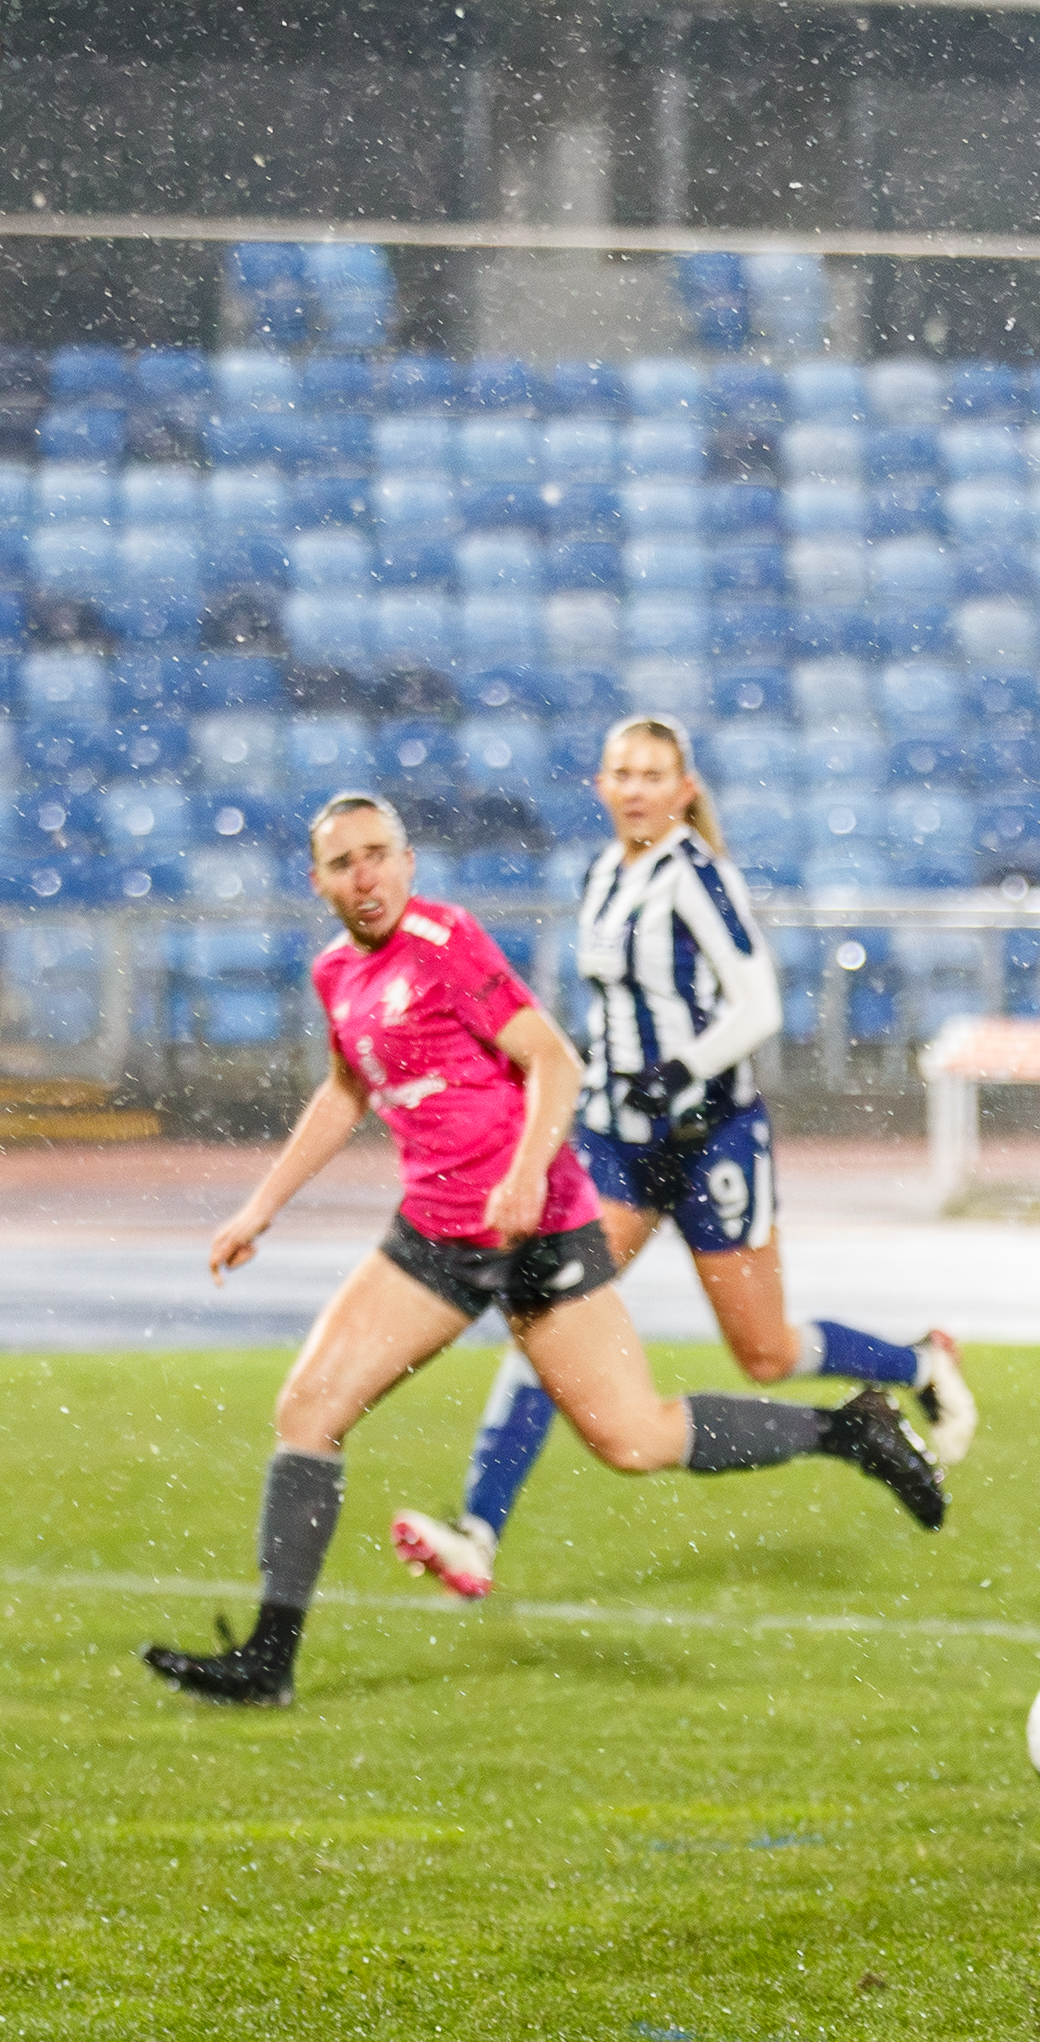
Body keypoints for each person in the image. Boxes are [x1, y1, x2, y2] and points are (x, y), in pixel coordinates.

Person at [143, 791, 947, 1708]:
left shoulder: (447, 944)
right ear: (317, 881)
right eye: (342, 863)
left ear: (407, 863)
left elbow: (555, 1060)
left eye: (378, 855)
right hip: (438, 1234)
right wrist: (261, 1206)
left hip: (538, 1227)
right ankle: (268, 1661)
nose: (364, 877)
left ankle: (847, 1429)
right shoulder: (336, 973)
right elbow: (344, 1091)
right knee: (307, 1409)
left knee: (634, 1439)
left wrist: (526, 1174)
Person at [386, 716, 974, 1599]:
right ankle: (477, 1532)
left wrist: (681, 1070)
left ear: (684, 788)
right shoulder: (600, 874)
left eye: (652, 774)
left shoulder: (697, 874)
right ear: (600, 783)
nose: (635, 789)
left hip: (709, 1141)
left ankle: (918, 1363)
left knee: (765, 1351)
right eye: (621, 773)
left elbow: (759, 1003)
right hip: (618, 1147)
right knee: (547, 1323)